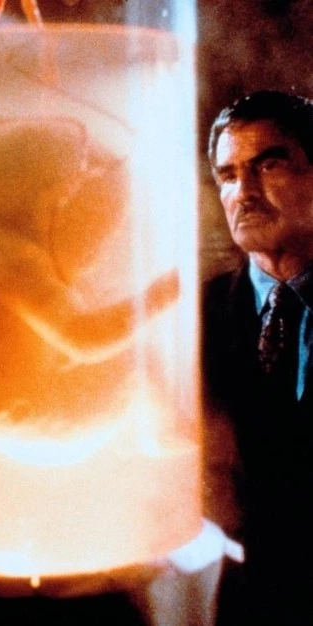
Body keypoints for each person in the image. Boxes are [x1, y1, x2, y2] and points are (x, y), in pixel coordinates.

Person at [203, 90, 313, 624]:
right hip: (244, 606)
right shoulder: (192, 321)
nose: (244, 193)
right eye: (228, 175)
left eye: (268, 166)